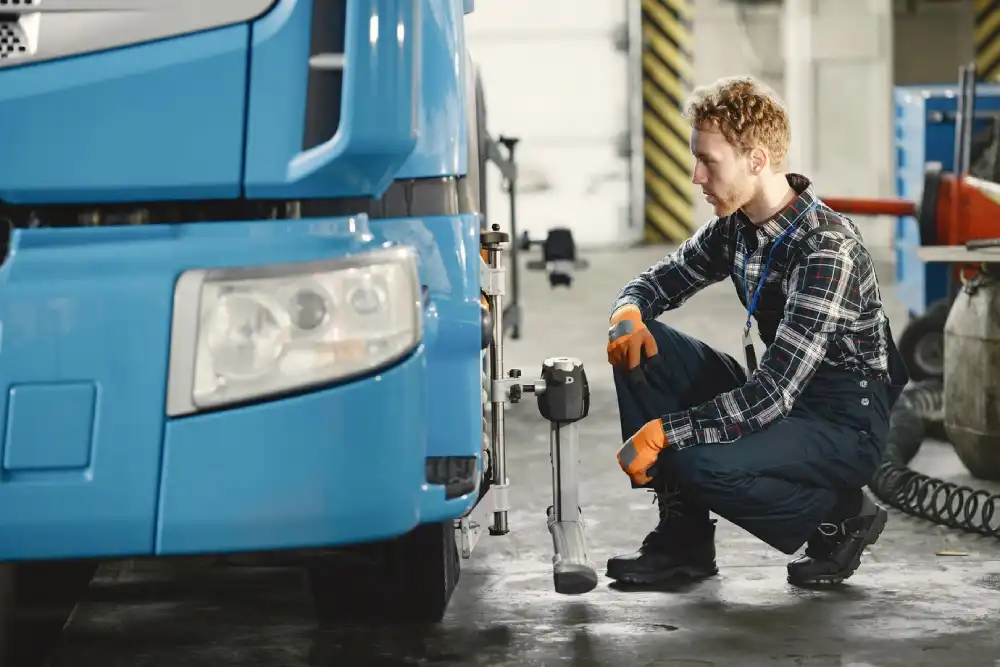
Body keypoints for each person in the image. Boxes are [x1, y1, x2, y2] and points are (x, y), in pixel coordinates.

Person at [606, 75, 909, 588]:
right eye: (695, 159)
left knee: (697, 462)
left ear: (757, 160)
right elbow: (656, 282)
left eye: (708, 161)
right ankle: (684, 544)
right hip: (788, 394)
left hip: (841, 422)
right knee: (644, 347)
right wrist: (628, 313)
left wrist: (663, 433)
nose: (696, 175)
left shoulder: (825, 249)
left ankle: (839, 512)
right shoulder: (738, 225)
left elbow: (771, 396)